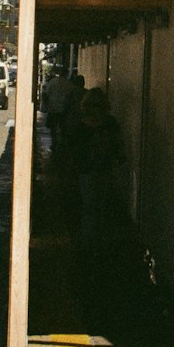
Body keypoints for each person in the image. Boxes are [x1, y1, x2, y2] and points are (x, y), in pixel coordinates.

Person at [70, 88, 124, 244]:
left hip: (85, 168)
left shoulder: (81, 126)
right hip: (104, 167)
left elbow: (73, 147)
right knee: (100, 203)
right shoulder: (110, 123)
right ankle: (98, 236)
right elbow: (118, 144)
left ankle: (88, 238)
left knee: (89, 204)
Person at [40, 67, 72, 153]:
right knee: (63, 128)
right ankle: (62, 144)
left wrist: (45, 107)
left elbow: (46, 93)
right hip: (64, 109)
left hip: (53, 108)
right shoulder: (68, 84)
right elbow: (70, 96)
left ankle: (54, 143)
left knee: (53, 128)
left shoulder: (53, 82)